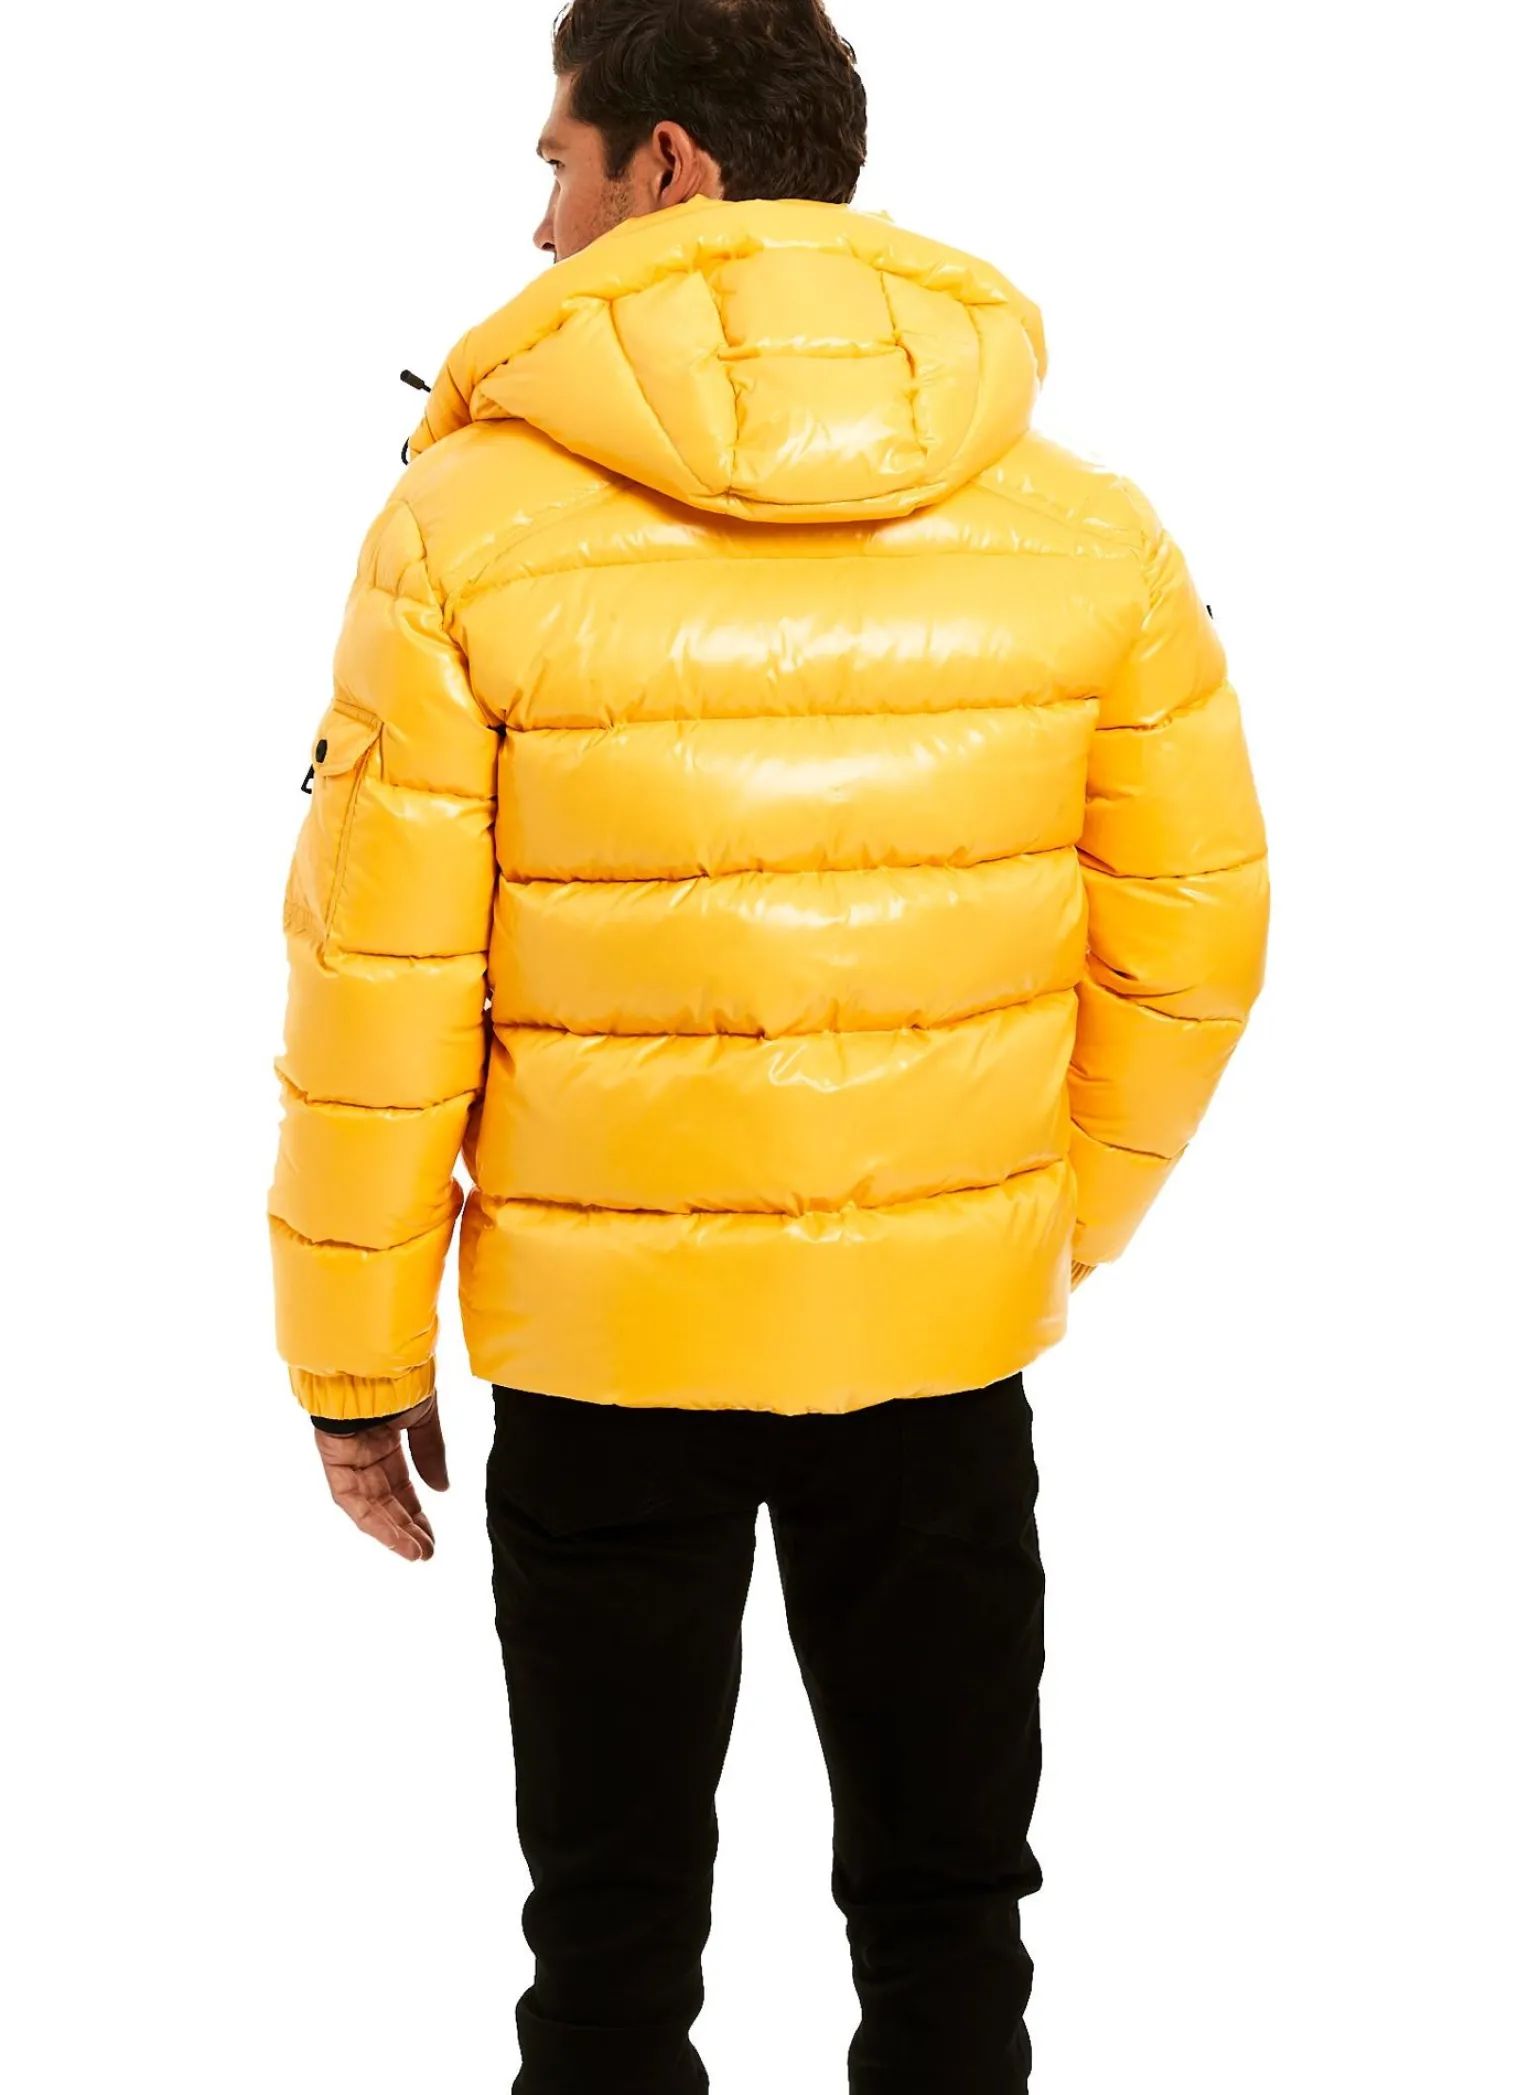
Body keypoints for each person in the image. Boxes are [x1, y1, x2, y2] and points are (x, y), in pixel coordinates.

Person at [267, 2, 1270, 2087]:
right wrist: (1017, 1229)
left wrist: (354, 1362)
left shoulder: (459, 531)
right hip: (934, 1355)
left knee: (606, 1954)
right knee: (951, 1933)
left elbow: (378, 979)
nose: (540, 228)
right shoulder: (1083, 527)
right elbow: (1198, 936)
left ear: (668, 165)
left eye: (557, 166)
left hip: (601, 1358)